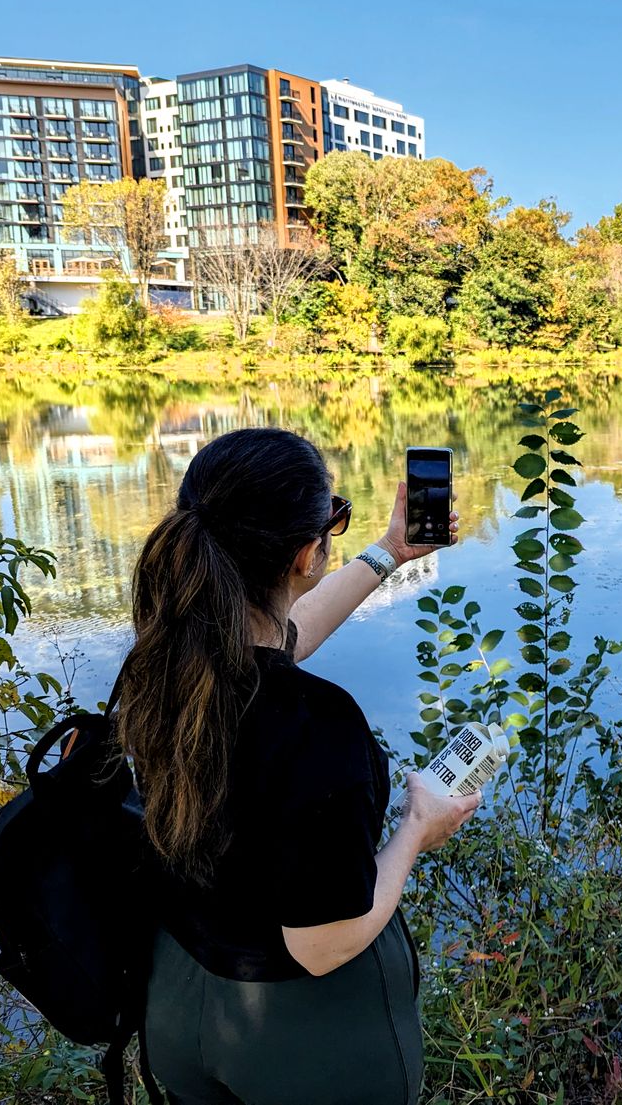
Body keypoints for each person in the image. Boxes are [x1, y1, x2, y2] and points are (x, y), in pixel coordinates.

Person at [114, 427, 477, 1105]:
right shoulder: (318, 725)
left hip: (178, 1006)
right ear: (308, 554)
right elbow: (325, 942)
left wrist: (389, 552)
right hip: (296, 1039)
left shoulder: (166, 668)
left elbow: (282, 636)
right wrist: (415, 832)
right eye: (335, 519)